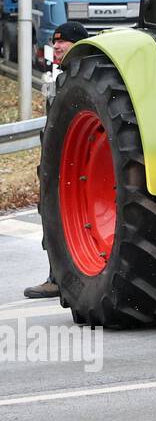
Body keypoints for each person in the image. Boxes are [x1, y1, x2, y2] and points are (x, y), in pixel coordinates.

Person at [23, 20, 90, 299]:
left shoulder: (84, 77)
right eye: (55, 41)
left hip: (79, 165)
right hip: (62, 162)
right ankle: (56, 276)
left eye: (63, 41)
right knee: (53, 217)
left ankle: (63, 278)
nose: (57, 46)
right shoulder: (61, 78)